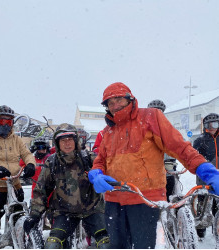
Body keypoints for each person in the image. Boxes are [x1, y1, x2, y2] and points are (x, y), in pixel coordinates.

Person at [88, 82, 219, 249]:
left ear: (130, 99)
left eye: (119, 100)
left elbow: (179, 147)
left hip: (144, 198)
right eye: (110, 103)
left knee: (142, 246)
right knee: (116, 246)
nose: (115, 106)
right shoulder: (108, 131)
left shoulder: (151, 117)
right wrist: (96, 173)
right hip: (114, 200)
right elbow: (101, 159)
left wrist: (206, 170)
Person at [23, 123, 110, 249]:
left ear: (76, 141)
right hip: (64, 212)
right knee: (52, 244)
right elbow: (41, 189)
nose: (67, 143)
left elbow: (109, 169)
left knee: (106, 243)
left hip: (93, 210)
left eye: (70, 140)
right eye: (63, 140)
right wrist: (35, 214)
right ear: (57, 143)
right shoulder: (52, 162)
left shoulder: (89, 158)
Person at [0, 105, 36, 249]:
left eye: (9, 122)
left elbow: (27, 154)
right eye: (3, 121)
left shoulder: (17, 140)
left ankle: (16, 241)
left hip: (15, 185)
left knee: (19, 216)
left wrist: (30, 164)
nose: (6, 125)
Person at [193, 113, 219, 239]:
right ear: (205, 125)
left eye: (216, 123)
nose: (213, 127)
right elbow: (194, 157)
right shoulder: (200, 140)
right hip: (204, 176)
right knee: (203, 202)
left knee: (216, 203)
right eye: (210, 124)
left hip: (218, 176)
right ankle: (200, 229)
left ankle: (217, 228)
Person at [147, 99, 177, 202]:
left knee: (170, 194)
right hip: (149, 170)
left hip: (167, 168)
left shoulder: (168, 127)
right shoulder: (143, 129)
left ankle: (169, 211)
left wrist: (171, 160)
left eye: (159, 111)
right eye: (153, 111)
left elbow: (177, 144)